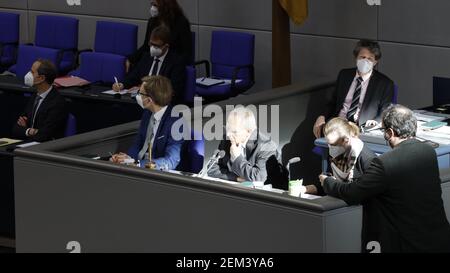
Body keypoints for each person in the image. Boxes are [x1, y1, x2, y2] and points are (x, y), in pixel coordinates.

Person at [321, 105, 450, 252]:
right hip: (437, 239)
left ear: (390, 132)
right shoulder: (428, 152)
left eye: (383, 131)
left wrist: (328, 182)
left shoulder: (384, 163)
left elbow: (353, 193)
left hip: (405, 244)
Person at [313, 39, 394, 138]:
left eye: (370, 59)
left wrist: (375, 121)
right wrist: (322, 116)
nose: (365, 61)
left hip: (361, 129)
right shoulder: (344, 75)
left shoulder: (385, 83)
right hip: (338, 124)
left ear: (375, 62)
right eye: (362, 57)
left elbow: (386, 111)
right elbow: (333, 102)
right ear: (356, 58)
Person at [111, 76, 183, 170]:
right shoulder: (147, 113)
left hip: (155, 175)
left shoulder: (176, 122)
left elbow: (171, 161)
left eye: (140, 93)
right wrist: (127, 159)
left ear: (149, 100)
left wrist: (137, 164)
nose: (138, 96)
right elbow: (138, 143)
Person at [113, 25, 185, 105]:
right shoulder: (146, 57)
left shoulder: (176, 62)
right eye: (151, 44)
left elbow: (173, 90)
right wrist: (122, 84)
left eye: (156, 45)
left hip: (160, 104)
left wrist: (145, 89)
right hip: (140, 101)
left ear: (166, 46)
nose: (152, 48)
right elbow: (134, 76)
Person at [305, 117, 376, 195]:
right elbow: (329, 186)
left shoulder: (367, 159)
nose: (331, 148)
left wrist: (328, 183)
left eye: (334, 145)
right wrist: (308, 189)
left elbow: (360, 192)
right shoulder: (336, 156)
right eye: (329, 144)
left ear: (346, 140)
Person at [207, 107, 279, 182]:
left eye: (234, 131)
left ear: (248, 131)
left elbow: (258, 178)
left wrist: (237, 158)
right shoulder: (226, 140)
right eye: (228, 128)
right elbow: (211, 169)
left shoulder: (267, 146)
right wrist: (236, 178)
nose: (228, 134)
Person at [12, 59, 68, 142]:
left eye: (32, 72)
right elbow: (16, 129)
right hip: (29, 144)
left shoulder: (57, 103)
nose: (28, 74)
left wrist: (26, 129)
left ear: (41, 78)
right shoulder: (34, 97)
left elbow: (44, 136)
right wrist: (31, 131)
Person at [127, 0, 192, 68]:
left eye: (155, 5)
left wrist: (171, 65)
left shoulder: (181, 22)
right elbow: (146, 46)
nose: (152, 8)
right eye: (152, 4)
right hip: (153, 61)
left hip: (171, 64)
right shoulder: (152, 21)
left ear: (165, 6)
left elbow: (186, 54)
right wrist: (130, 59)